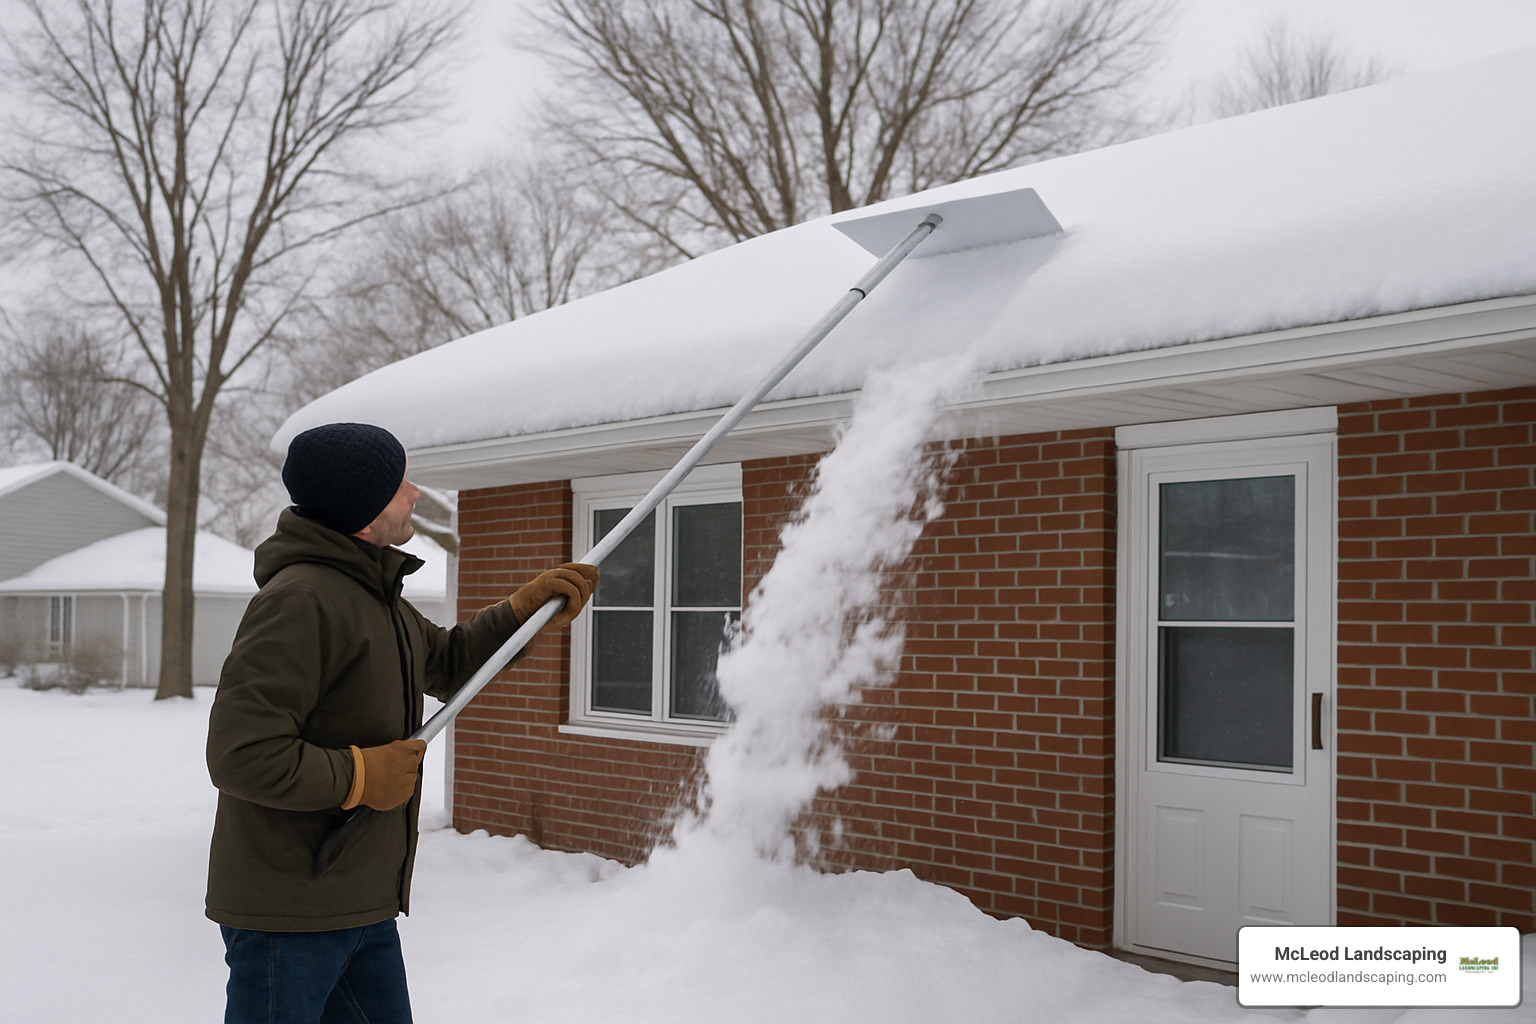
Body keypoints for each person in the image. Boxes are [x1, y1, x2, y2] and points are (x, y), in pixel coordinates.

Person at [205, 421, 598, 1023]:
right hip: (289, 913)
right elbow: (242, 754)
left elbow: (446, 662)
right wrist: (360, 776)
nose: (414, 492)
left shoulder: (371, 593)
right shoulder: (300, 601)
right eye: (398, 484)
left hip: (361, 903)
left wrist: (523, 612)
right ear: (362, 510)